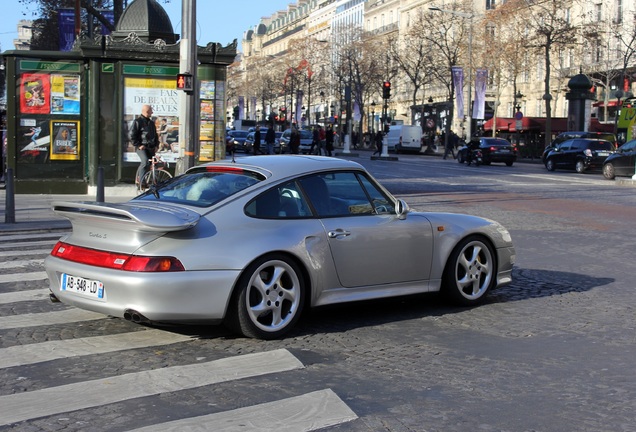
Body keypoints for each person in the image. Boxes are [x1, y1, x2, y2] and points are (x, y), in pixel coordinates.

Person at [129, 104, 159, 186]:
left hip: (151, 147)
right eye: (151, 111)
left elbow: (155, 135)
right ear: (147, 112)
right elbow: (131, 135)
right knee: (145, 162)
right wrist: (138, 145)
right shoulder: (137, 122)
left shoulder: (151, 123)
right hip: (142, 147)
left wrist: (156, 145)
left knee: (156, 163)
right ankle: (141, 181)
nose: (152, 112)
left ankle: (155, 182)